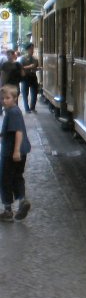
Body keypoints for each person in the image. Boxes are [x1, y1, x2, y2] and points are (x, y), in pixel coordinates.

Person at [0, 84, 31, 221]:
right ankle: (22, 200)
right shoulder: (14, 111)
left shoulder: (12, 112)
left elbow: (18, 132)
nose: (4, 101)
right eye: (2, 98)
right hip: (20, 152)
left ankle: (7, 211)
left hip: (11, 153)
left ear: (15, 98)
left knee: (4, 179)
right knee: (18, 177)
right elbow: (11, 132)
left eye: (7, 98)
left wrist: (16, 151)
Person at [19, 42, 39, 113]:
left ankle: (32, 107)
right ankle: (27, 109)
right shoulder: (23, 58)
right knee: (25, 94)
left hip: (33, 77)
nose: (32, 50)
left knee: (35, 93)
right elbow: (20, 67)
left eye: (33, 48)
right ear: (27, 49)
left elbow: (35, 66)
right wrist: (29, 66)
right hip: (25, 78)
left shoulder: (35, 59)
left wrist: (36, 68)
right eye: (31, 49)